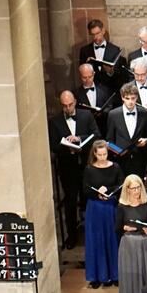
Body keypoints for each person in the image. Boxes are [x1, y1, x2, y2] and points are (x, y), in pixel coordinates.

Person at [50, 89, 101, 249]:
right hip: (68, 168)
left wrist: (79, 139)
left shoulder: (86, 116)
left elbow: (96, 135)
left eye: (70, 104)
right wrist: (66, 145)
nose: (68, 108)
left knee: (90, 201)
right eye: (65, 106)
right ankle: (71, 237)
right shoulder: (55, 121)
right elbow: (53, 145)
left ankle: (93, 236)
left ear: (75, 102)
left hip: (87, 167)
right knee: (70, 203)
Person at [83, 140, 124, 288]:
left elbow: (121, 185)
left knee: (112, 239)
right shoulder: (89, 169)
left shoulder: (115, 167)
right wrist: (97, 194)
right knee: (97, 240)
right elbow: (85, 189)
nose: (102, 157)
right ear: (94, 154)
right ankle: (96, 276)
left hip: (110, 207)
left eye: (105, 154)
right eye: (99, 154)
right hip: (95, 208)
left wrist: (108, 190)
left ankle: (115, 274)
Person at [106, 82, 147, 177]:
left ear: (137, 97)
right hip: (120, 160)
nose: (130, 102)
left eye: (133, 98)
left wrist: (146, 140)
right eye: (127, 98)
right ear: (122, 98)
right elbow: (109, 140)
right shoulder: (113, 114)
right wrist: (119, 151)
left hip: (140, 159)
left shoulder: (145, 113)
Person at [79, 18, 124, 88]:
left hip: (110, 88)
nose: (95, 37)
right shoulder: (85, 51)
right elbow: (81, 73)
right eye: (92, 34)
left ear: (103, 31)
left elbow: (119, 75)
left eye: (97, 33)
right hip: (93, 88)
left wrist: (110, 72)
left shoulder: (114, 49)